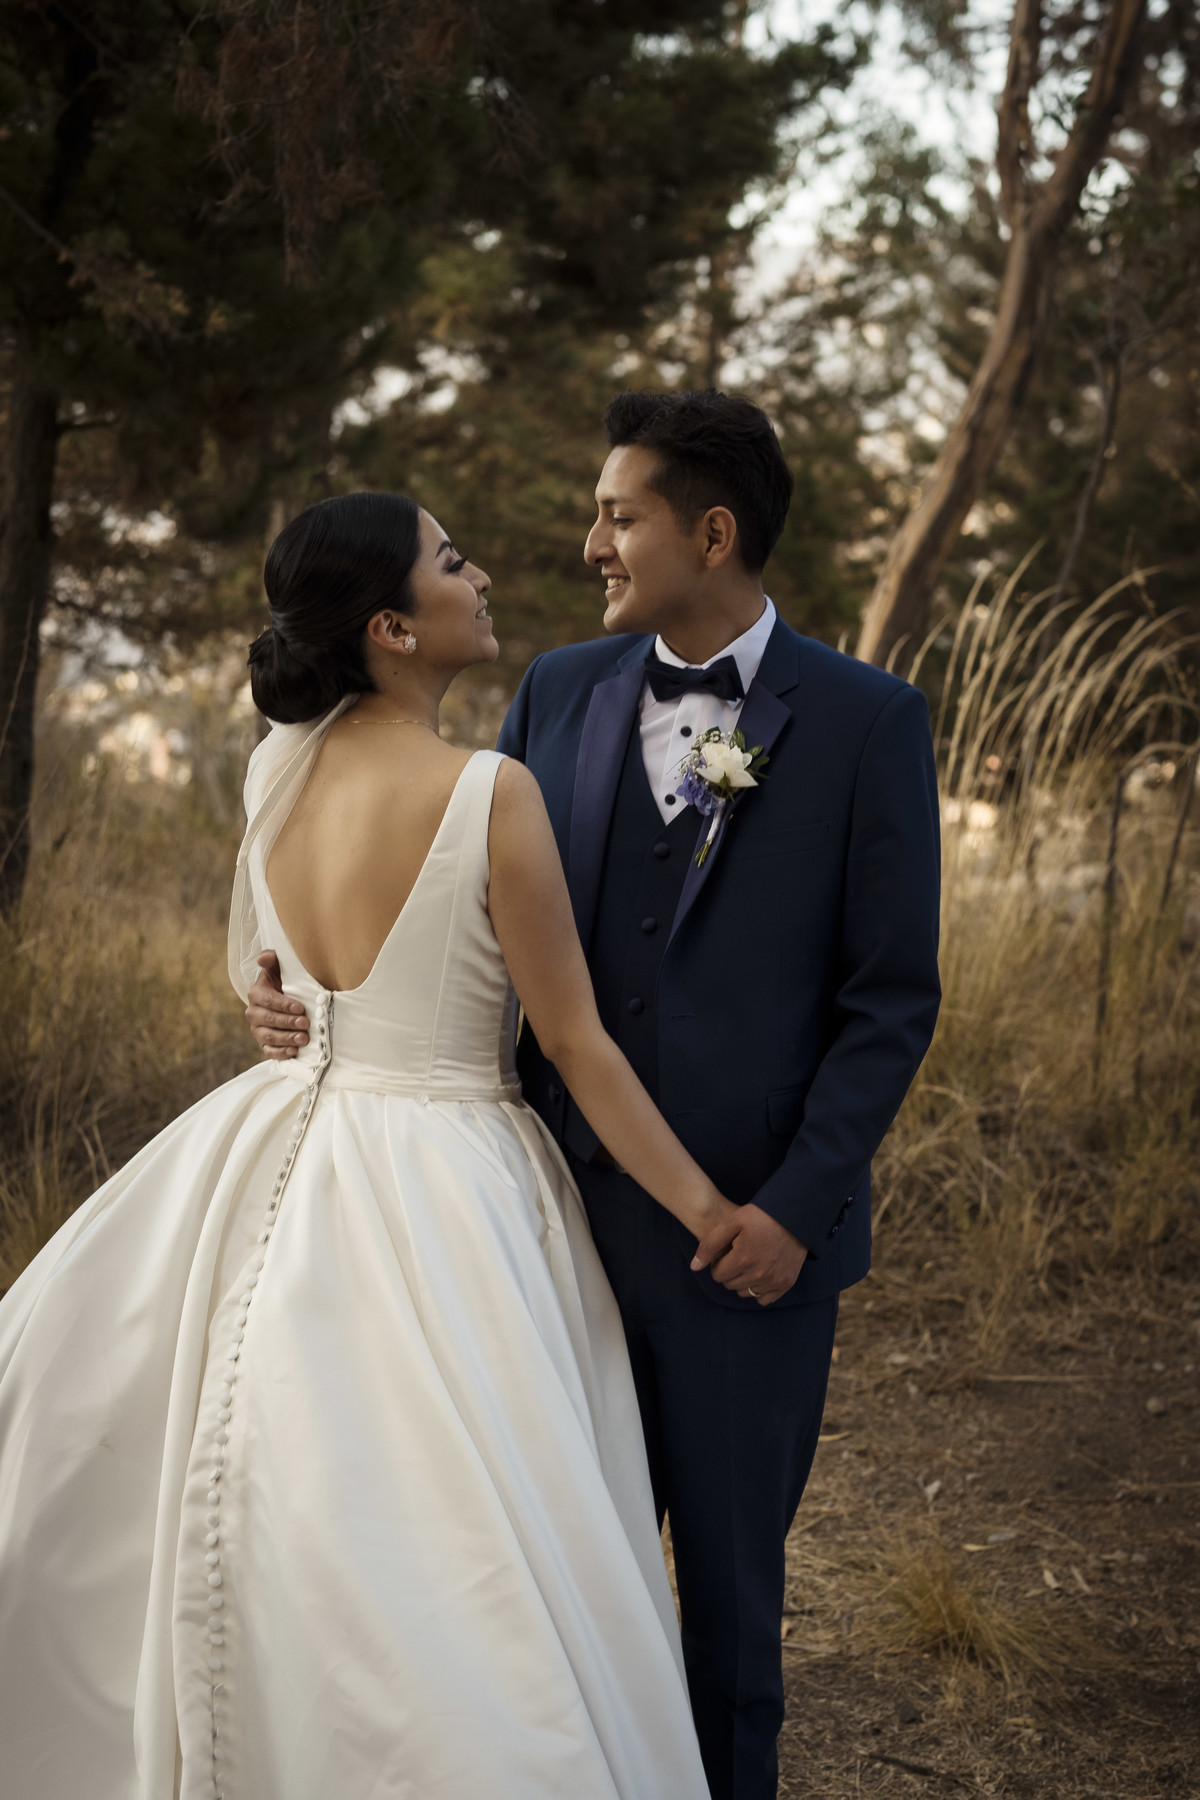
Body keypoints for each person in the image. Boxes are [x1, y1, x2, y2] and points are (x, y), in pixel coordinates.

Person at [248, 393, 943, 1800]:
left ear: (713, 530)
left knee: (732, 1612)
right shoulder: (557, 691)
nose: (590, 544)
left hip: (745, 1243)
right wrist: (304, 997)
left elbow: (891, 1002)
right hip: (532, 1236)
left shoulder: (870, 721)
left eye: (620, 515)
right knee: (555, 1588)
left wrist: (791, 1212)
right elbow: (470, 925)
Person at [0, 491, 726, 1799]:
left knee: (276, 1471)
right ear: (394, 625)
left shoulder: (278, 773)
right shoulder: (488, 793)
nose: (486, 572)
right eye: (456, 560)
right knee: (456, 1521)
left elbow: (266, 974)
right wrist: (707, 1208)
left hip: (286, 1131)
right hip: (450, 1164)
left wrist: (272, 1002)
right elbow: (576, 1046)